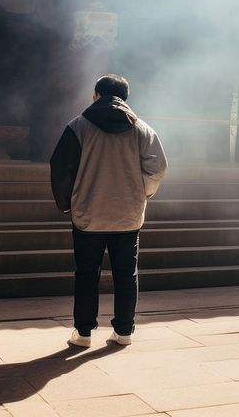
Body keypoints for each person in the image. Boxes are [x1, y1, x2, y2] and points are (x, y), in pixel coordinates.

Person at [50, 73, 167, 349]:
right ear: (125, 98)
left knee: (86, 274)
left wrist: (66, 202)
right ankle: (124, 331)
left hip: (88, 214)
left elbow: (60, 169)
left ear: (95, 95)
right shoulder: (142, 129)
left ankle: (83, 333)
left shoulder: (77, 127)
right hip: (127, 215)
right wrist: (143, 193)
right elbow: (158, 168)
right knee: (127, 274)